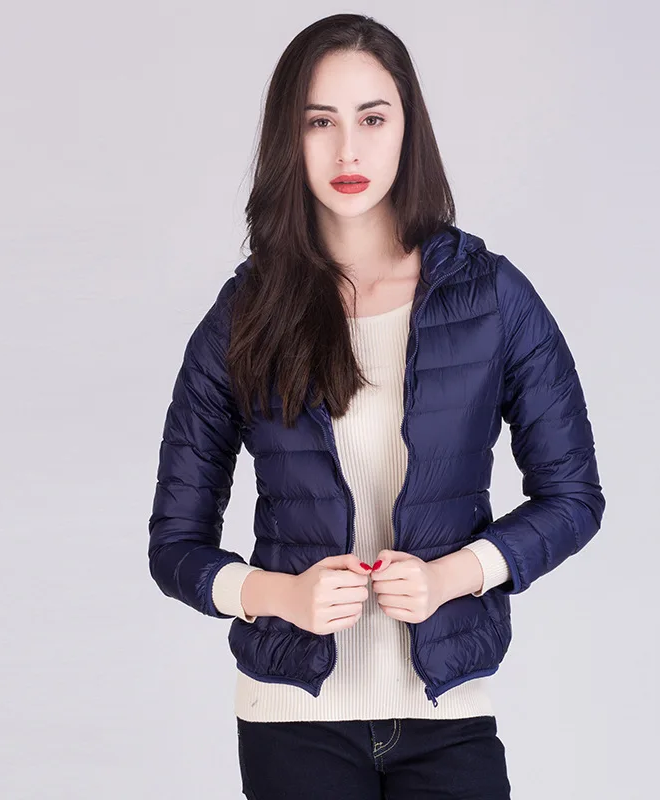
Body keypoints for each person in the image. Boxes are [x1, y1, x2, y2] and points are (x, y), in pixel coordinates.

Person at [147, 13, 605, 800]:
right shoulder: (245, 315)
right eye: (319, 122)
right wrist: (280, 596)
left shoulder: (492, 297)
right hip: (291, 718)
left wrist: (454, 576)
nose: (347, 152)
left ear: (407, 129)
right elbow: (174, 545)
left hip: (448, 710)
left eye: (372, 118)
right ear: (289, 139)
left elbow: (574, 497)